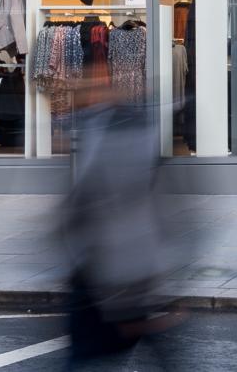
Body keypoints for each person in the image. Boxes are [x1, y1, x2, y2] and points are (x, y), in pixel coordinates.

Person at [56, 70, 186, 365]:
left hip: (103, 268)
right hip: (139, 263)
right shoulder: (144, 137)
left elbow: (79, 210)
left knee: (85, 355)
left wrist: (71, 252)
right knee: (151, 348)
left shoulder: (100, 137)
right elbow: (164, 208)